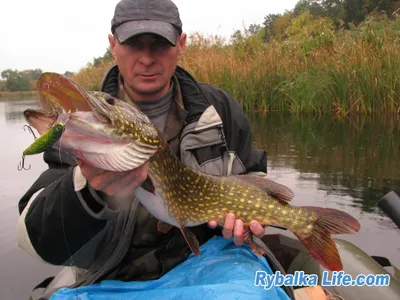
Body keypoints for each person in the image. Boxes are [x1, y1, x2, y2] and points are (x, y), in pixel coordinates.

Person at [16, 0, 294, 299]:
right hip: (112, 273)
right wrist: (88, 190)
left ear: (181, 44)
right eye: (134, 44)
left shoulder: (221, 109)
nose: (146, 59)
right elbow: (39, 242)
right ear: (113, 45)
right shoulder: (79, 129)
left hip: (207, 262)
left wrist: (251, 223)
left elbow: (253, 178)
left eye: (159, 45)